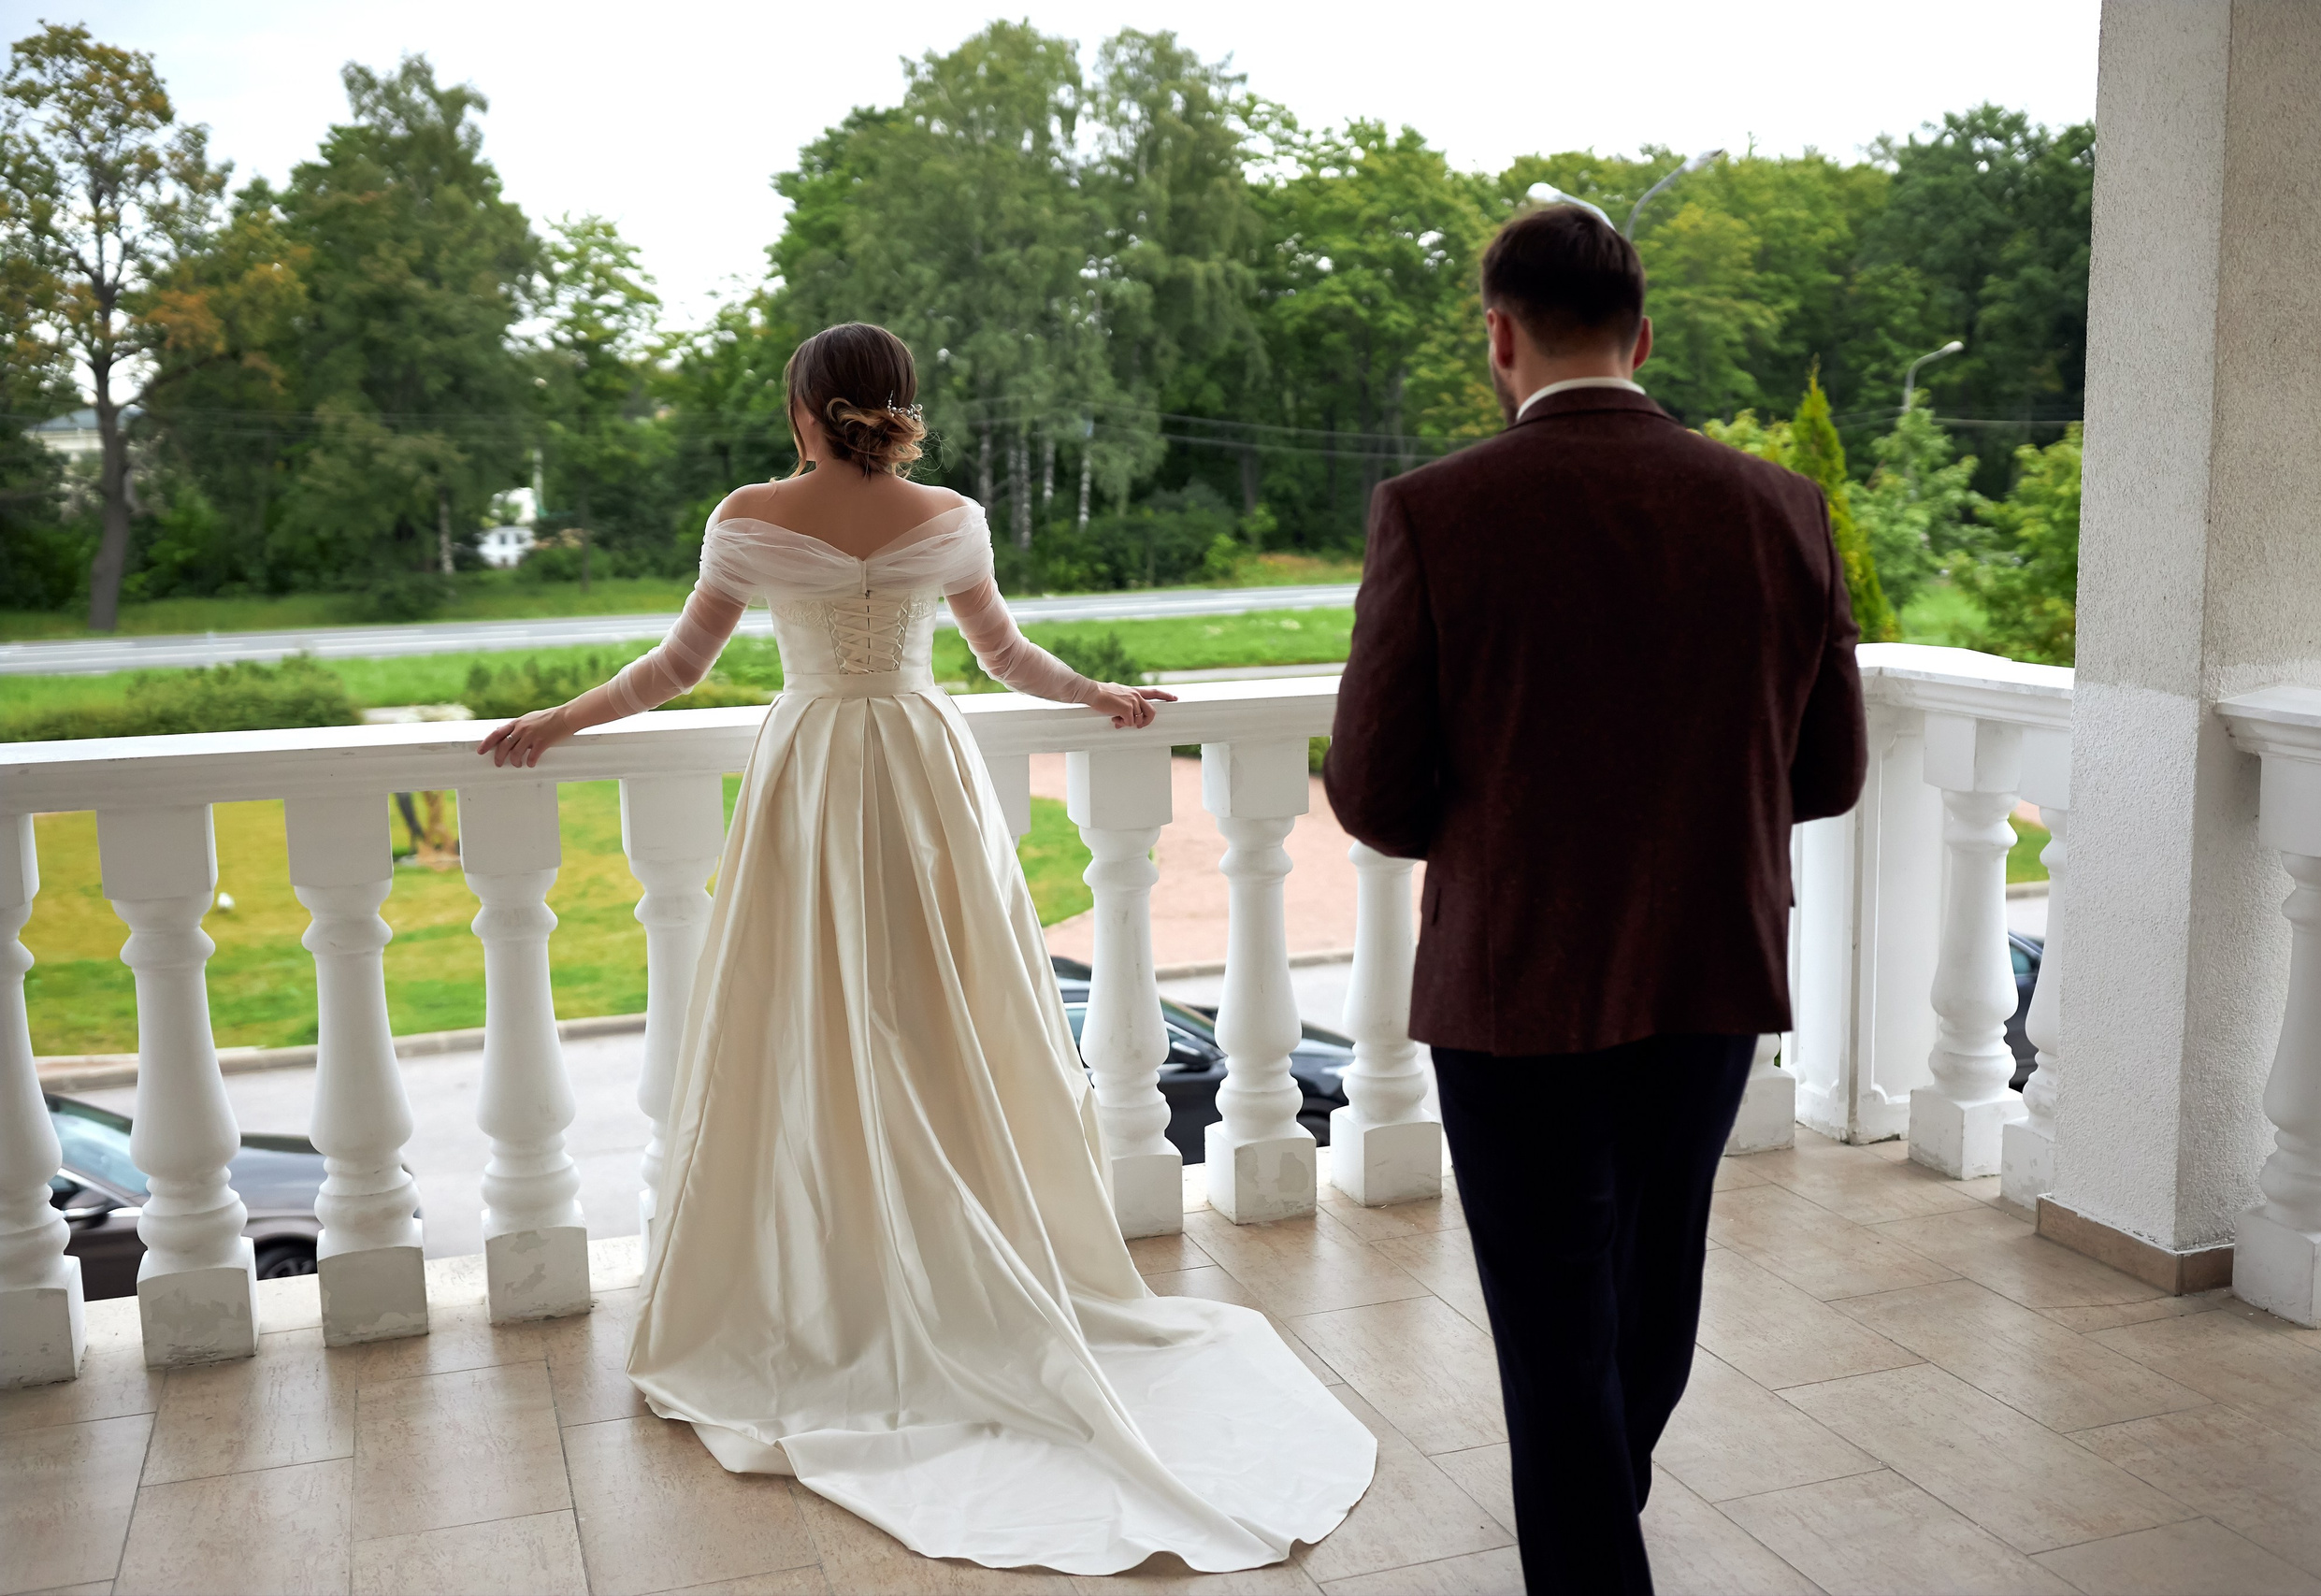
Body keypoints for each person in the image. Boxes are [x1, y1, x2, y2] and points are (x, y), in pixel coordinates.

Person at [477, 323, 1374, 1575]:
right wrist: (1103, 700)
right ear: (898, 404)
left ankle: (843, 1269)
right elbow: (1002, 655)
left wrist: (555, 722)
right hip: (920, 767)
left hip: (813, 774)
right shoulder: (948, 515)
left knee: (811, 1018)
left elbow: (675, 669)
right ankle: (945, 1255)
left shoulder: (746, 513)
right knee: (945, 1010)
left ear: (801, 406)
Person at [1324, 205, 1867, 1593]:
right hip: (1709, 964)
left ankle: (1587, 1550)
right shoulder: (1779, 504)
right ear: (1645, 336)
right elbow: (1830, 770)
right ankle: (1598, 1505)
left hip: (1517, 984)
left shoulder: (1435, 512)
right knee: (1651, 1272)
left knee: (1547, 1305)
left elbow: (1380, 799)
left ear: (1499, 337)